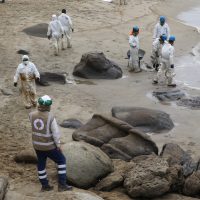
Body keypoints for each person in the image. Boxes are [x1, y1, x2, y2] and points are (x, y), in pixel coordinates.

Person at [29, 95, 72, 192]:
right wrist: (58, 145)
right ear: (48, 106)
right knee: (61, 160)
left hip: (37, 145)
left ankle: (45, 186)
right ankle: (62, 185)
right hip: (48, 146)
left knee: (41, 163)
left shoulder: (31, 115)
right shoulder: (50, 117)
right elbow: (55, 133)